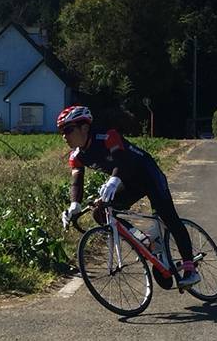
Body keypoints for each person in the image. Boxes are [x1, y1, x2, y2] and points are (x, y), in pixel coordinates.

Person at [57, 105, 201, 287]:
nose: (64, 136)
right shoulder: (76, 155)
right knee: (101, 213)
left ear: (84, 127)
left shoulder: (108, 136)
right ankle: (146, 241)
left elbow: (121, 159)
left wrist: (114, 180)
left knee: (168, 217)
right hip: (128, 182)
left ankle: (190, 268)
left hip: (148, 175)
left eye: (68, 130)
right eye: (61, 131)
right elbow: (76, 181)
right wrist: (74, 204)